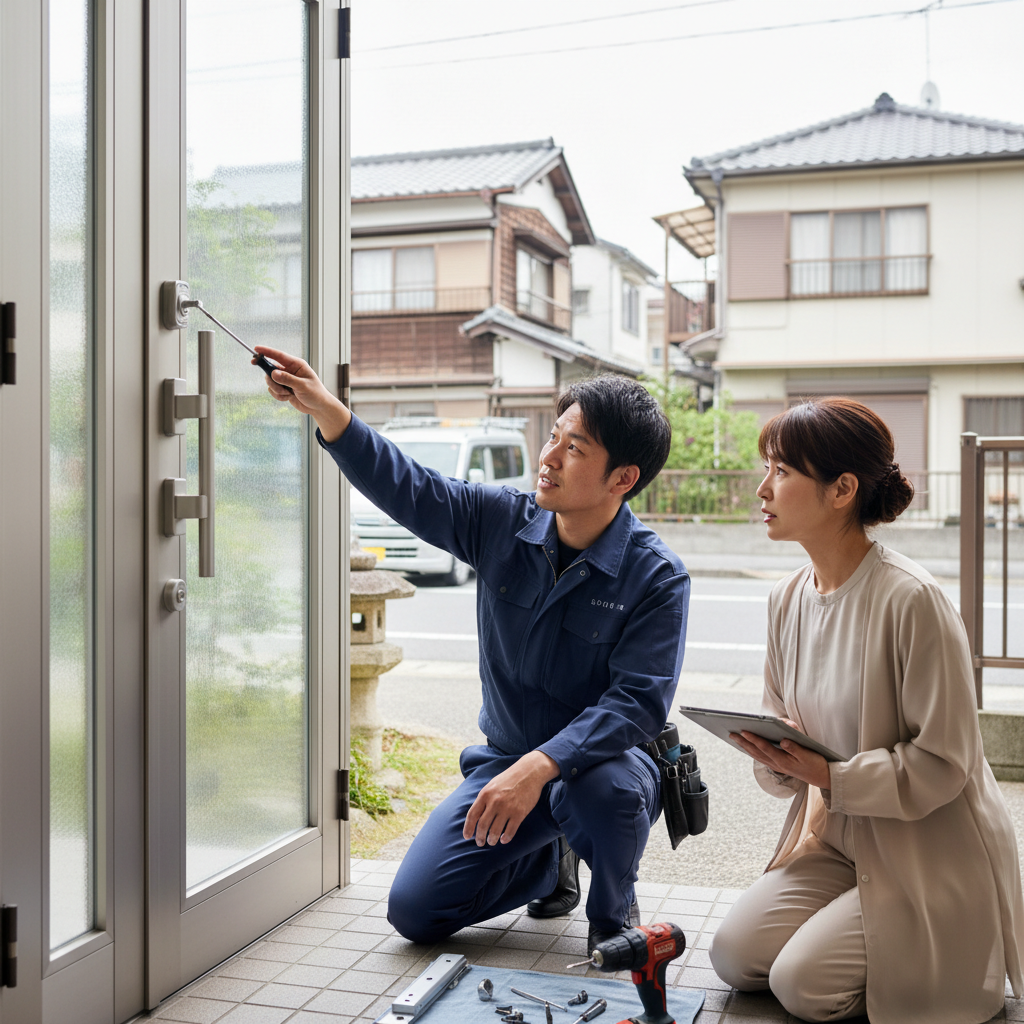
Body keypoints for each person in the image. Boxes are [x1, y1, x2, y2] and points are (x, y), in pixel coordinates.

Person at [252, 345, 689, 951]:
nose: (549, 458)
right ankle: (546, 860)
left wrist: (543, 767)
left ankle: (613, 922)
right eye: (554, 436)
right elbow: (410, 487)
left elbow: (636, 704)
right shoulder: (499, 522)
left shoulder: (657, 576)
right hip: (504, 761)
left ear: (623, 478)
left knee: (600, 791)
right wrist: (327, 408)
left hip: (606, 765)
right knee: (416, 912)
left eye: (575, 448)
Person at [709, 397, 1024, 1024]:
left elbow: (945, 762)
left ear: (842, 489)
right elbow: (787, 726)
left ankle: (950, 945)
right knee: (733, 956)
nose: (763, 488)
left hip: (927, 847)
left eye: (782, 472)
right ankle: (858, 922)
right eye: (767, 468)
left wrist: (831, 777)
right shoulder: (787, 598)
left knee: (804, 987)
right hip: (839, 842)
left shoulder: (913, 601)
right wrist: (775, 757)